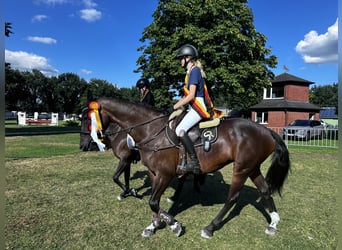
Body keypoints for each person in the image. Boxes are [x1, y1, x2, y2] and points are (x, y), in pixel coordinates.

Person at [171, 44, 208, 174]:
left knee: (179, 130)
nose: (180, 61)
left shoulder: (194, 71)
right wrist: (178, 105)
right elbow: (186, 96)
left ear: (188, 58)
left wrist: (174, 106)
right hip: (193, 106)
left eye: (181, 58)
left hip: (198, 107)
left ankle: (194, 162)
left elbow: (191, 95)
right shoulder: (191, 72)